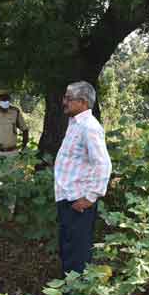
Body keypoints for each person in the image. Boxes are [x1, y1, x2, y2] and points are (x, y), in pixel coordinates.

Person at [54, 81, 112, 275]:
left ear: (83, 102)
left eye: (69, 98)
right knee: (67, 250)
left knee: (77, 255)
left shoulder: (89, 127)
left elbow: (103, 164)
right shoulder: (75, 124)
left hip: (79, 202)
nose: (64, 102)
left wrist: (89, 198)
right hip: (67, 198)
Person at [0, 90, 29, 156]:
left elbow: (25, 130)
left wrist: (24, 147)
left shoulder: (15, 112)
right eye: (3, 99)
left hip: (12, 152)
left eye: (7, 99)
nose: (6, 102)